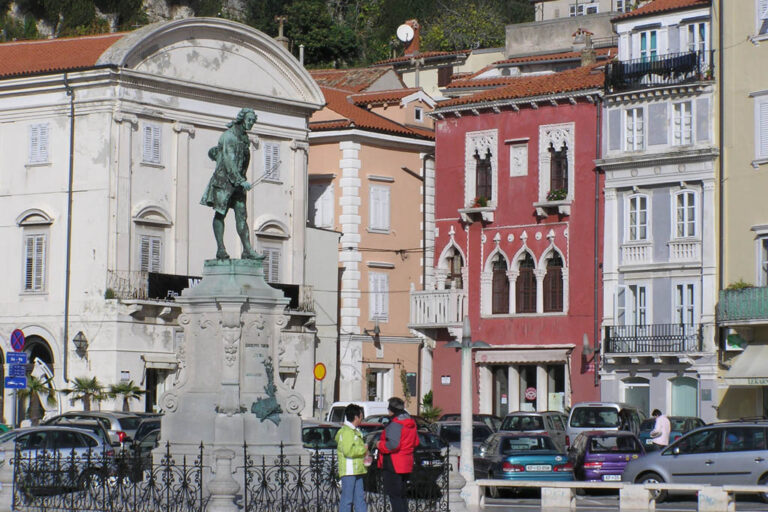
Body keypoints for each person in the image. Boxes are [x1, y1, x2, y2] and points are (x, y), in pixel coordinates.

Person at [200, 107, 259, 260]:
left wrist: (241, 180)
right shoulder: (229, 136)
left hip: (238, 184)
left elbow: (242, 162)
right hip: (223, 182)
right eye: (249, 120)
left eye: (253, 121)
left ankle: (247, 250)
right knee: (220, 213)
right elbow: (228, 159)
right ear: (242, 119)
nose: (251, 123)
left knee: (242, 216)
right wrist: (241, 180)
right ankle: (221, 249)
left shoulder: (244, 138)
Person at [377, 397, 419, 512]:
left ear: (392, 410)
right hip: (406, 462)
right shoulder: (411, 423)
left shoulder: (396, 424)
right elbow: (416, 442)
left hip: (393, 464)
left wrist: (380, 445)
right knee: (402, 496)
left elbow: (393, 445)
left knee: (395, 496)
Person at [335, 403, 368, 512]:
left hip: (357, 469)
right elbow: (348, 451)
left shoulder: (354, 431)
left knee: (359, 500)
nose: (362, 418)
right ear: (356, 417)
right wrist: (363, 450)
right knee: (347, 500)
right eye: (361, 416)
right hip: (349, 471)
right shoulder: (347, 432)